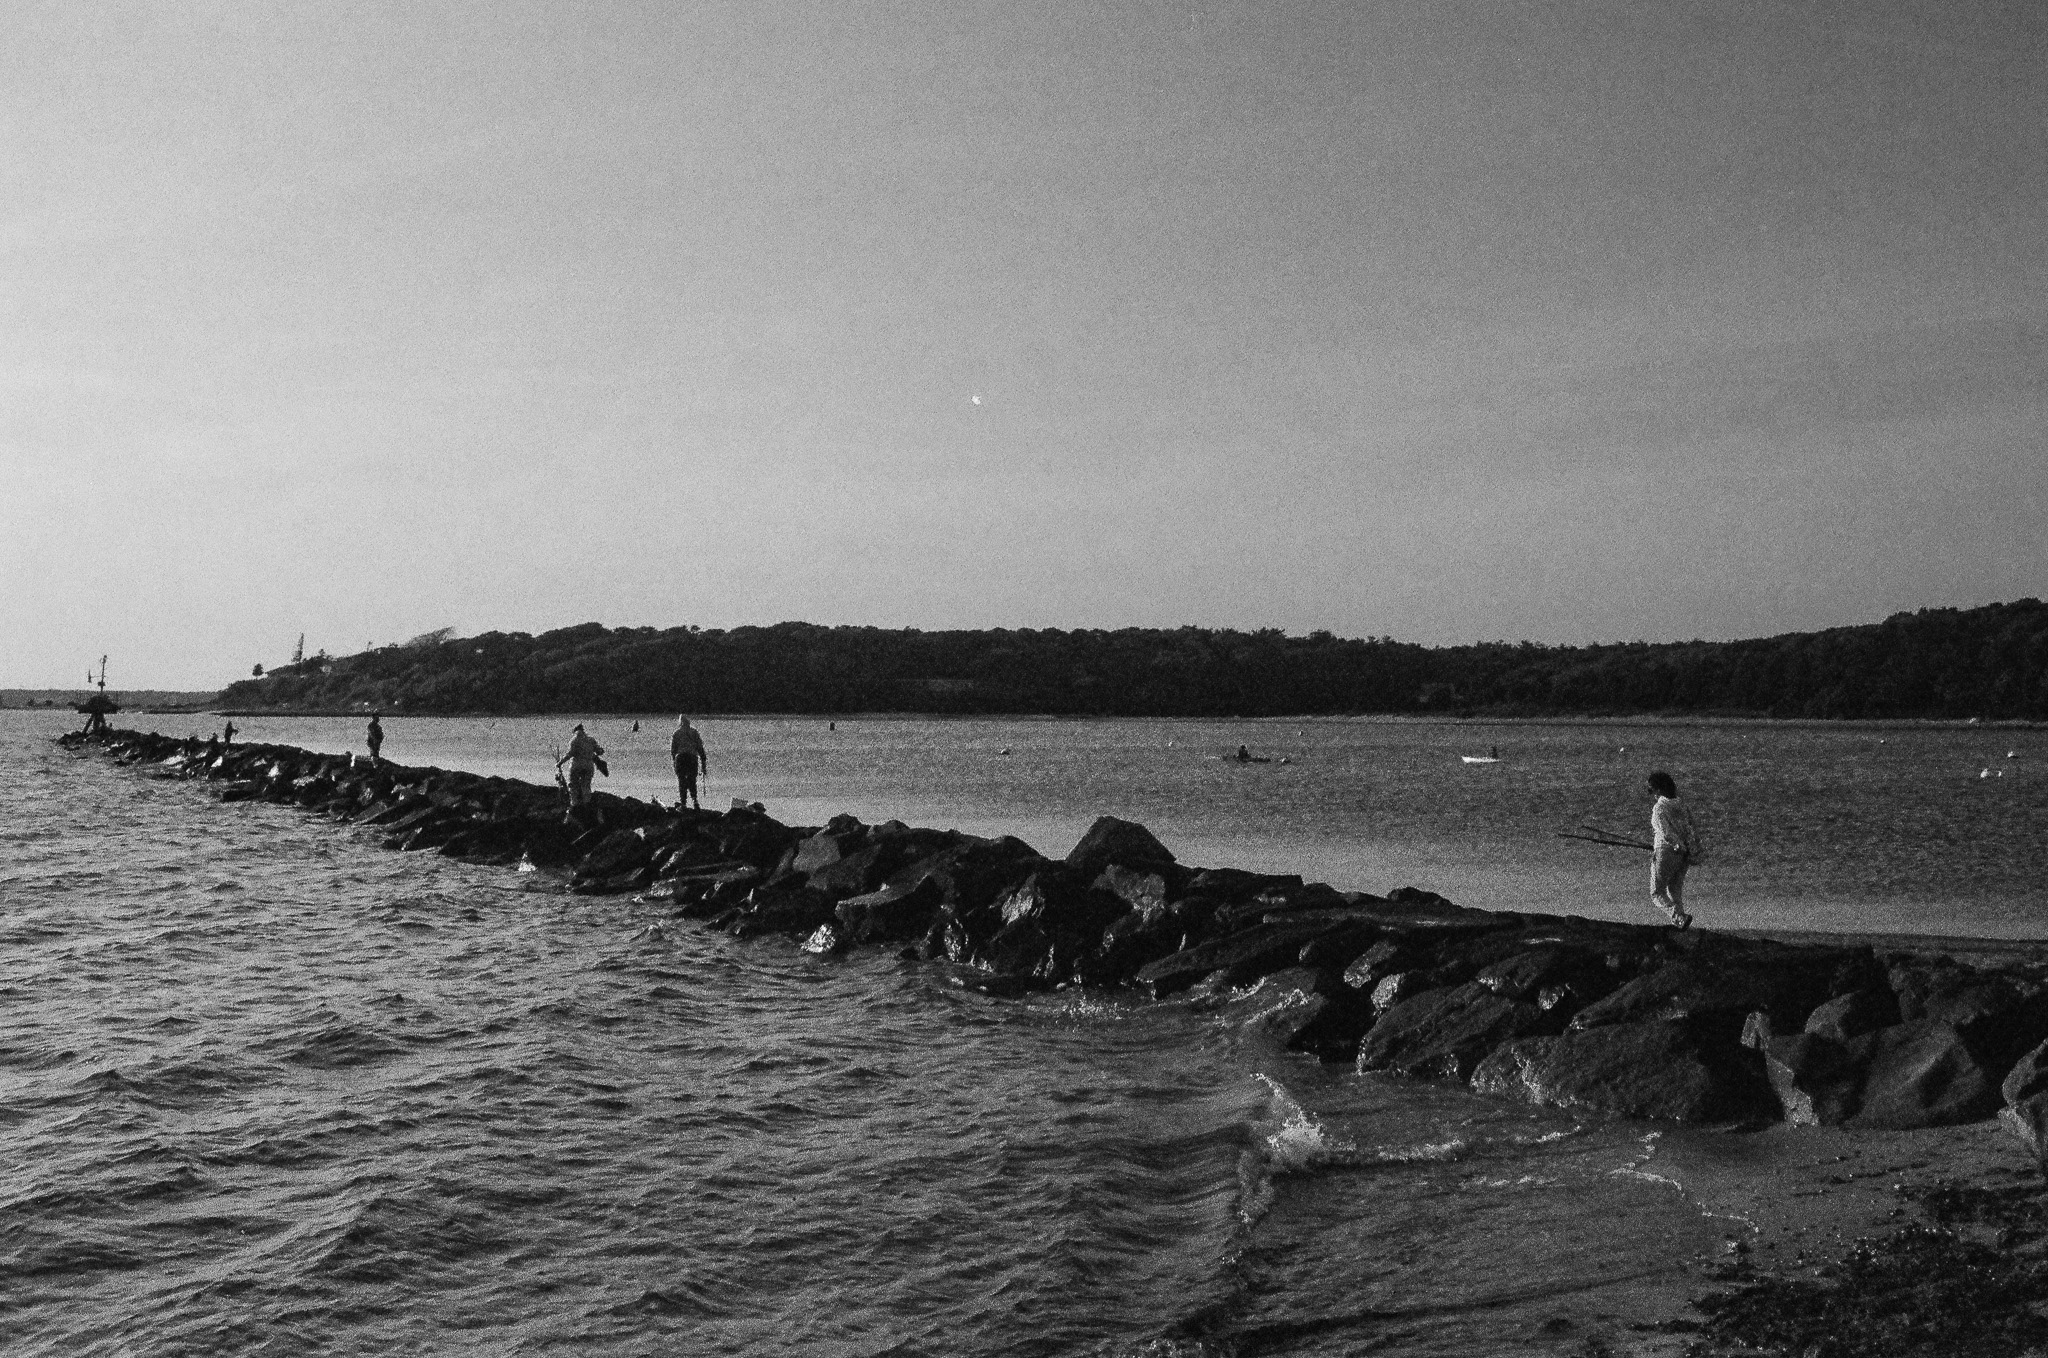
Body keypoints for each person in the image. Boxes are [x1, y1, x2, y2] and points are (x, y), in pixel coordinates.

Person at [1647, 770, 1704, 929]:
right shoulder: (1682, 805)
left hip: (1667, 851)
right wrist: (1689, 849)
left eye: (1651, 790)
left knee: (1656, 892)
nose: (1651, 794)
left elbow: (1666, 833)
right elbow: (1692, 828)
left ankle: (1678, 917)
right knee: (1674, 890)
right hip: (1684, 854)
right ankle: (1680, 923)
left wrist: (1676, 845)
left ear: (1658, 790)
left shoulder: (1659, 808)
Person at [556, 723, 605, 810]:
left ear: (575, 731)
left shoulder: (574, 740)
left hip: (576, 766)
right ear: (583, 731)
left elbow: (570, 754)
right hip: (589, 766)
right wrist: (600, 750)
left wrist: (560, 763)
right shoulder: (591, 740)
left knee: (573, 784)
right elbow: (600, 752)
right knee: (586, 785)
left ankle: (574, 803)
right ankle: (587, 803)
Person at [670, 715, 708, 810]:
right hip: (692, 757)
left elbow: (673, 750)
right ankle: (695, 801)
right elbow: (700, 747)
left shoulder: (677, 733)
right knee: (692, 780)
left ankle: (683, 803)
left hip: (680, 757)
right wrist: (703, 762)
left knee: (682, 780)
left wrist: (674, 761)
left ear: (680, 722)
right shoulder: (694, 732)